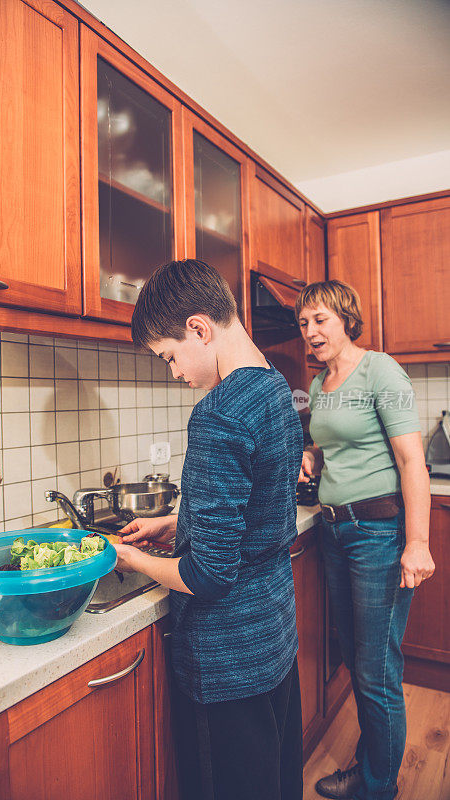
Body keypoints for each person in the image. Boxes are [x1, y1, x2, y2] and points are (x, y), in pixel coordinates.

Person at [113, 259, 304, 800]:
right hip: (272, 636)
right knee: (274, 781)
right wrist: (178, 520)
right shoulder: (274, 389)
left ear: (199, 328)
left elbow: (208, 575)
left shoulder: (218, 413)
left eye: (169, 356)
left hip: (227, 658)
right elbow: (260, 508)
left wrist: (127, 560)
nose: (174, 371)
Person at [295, 280, 435, 800]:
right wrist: (312, 454)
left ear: (346, 318)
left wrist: (417, 543)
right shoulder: (319, 383)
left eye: (321, 320)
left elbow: (410, 462)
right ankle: (372, 762)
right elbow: (329, 440)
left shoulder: (382, 369)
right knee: (357, 657)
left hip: (378, 531)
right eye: (304, 323)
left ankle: (378, 786)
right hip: (336, 530)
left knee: (376, 668)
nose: (311, 332)